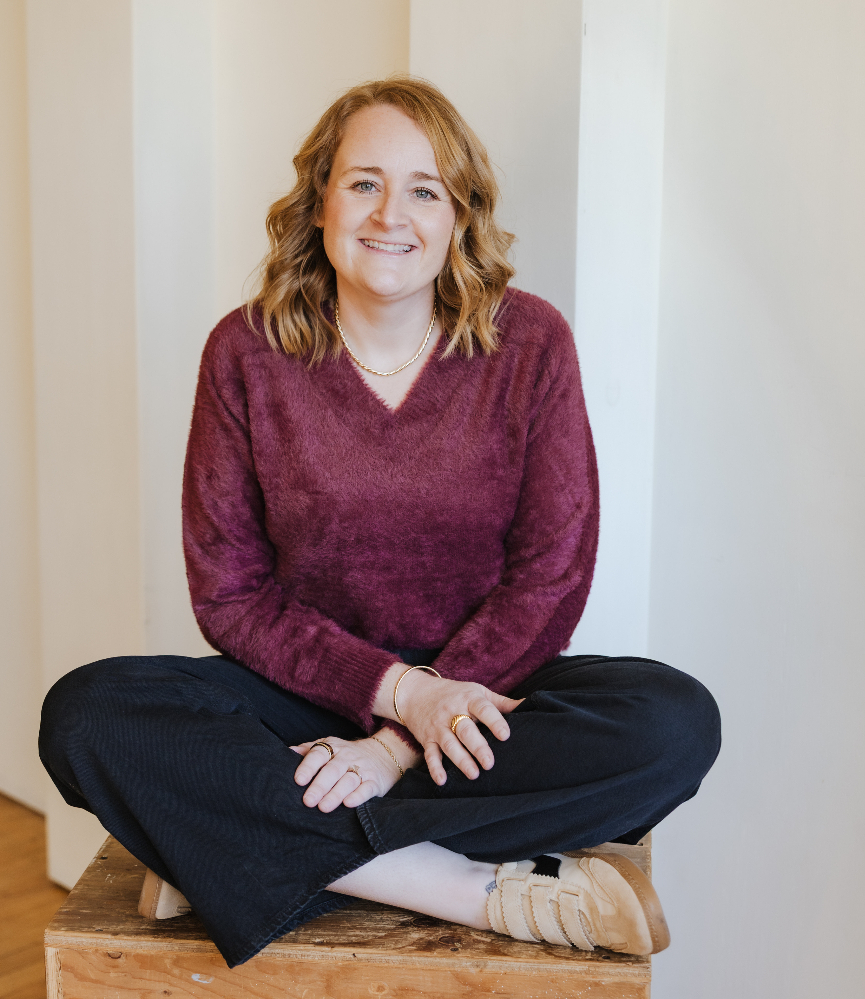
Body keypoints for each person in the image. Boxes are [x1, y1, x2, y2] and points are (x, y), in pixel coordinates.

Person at [39, 77, 720, 969]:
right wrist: (396, 694)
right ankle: (475, 888)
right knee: (86, 716)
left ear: (457, 216)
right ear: (319, 198)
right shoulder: (245, 351)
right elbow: (230, 594)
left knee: (671, 722)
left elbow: (551, 574)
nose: (389, 213)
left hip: (478, 701)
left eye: (424, 189)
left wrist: (400, 743)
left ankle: (224, 843)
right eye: (363, 182)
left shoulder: (529, 343)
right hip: (298, 704)